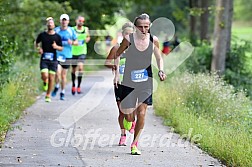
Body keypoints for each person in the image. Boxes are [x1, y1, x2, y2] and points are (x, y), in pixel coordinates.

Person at [115, 13, 166, 155]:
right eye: (141, 27)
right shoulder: (128, 39)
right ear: (135, 27)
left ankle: (135, 144)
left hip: (146, 81)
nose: (144, 29)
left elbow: (159, 57)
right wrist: (117, 74)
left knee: (142, 113)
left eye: (147, 26)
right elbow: (117, 54)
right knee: (129, 116)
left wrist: (161, 70)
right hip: (128, 82)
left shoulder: (153, 40)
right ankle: (129, 122)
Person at [105, 22, 134, 146]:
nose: (128, 36)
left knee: (130, 113)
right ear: (122, 34)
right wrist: (114, 67)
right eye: (126, 33)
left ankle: (131, 121)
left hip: (133, 83)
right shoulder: (117, 48)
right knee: (121, 112)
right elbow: (107, 62)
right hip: (119, 83)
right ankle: (123, 135)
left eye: (130, 34)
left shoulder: (136, 49)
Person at [35, 17, 63, 102]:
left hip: (53, 60)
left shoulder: (57, 36)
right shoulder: (42, 35)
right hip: (44, 59)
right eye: (49, 23)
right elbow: (36, 43)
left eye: (51, 23)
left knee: (51, 78)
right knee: (45, 75)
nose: (50, 24)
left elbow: (61, 48)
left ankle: (48, 95)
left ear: (54, 25)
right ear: (47, 25)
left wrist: (56, 47)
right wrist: (38, 49)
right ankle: (44, 81)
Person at [51, 14, 78, 100]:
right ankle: (57, 85)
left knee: (63, 75)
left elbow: (76, 42)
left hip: (67, 55)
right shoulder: (56, 30)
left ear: (68, 21)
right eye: (62, 20)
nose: (64, 22)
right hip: (57, 55)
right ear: (60, 21)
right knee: (57, 73)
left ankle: (62, 92)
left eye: (65, 20)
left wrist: (72, 43)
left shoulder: (71, 30)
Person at [71, 16, 90, 95]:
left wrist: (87, 40)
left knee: (81, 68)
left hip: (82, 51)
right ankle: (73, 85)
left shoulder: (86, 29)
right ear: (76, 21)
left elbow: (88, 37)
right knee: (74, 70)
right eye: (79, 20)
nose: (81, 22)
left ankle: (78, 86)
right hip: (73, 52)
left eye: (82, 21)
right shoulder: (72, 29)